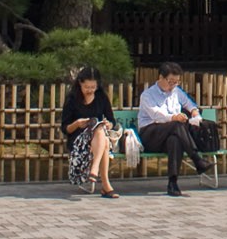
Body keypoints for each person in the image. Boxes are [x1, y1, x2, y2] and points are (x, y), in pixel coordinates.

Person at [135, 62, 217, 197]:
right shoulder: (148, 95)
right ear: (160, 77)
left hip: (170, 133)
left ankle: (173, 183)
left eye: (176, 82)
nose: (173, 85)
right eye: (170, 81)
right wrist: (174, 117)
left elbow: (189, 103)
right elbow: (157, 115)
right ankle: (197, 159)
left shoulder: (176, 92)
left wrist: (195, 112)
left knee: (175, 140)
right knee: (177, 125)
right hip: (150, 134)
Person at [59, 66, 120, 198]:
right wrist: (77, 124)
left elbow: (111, 119)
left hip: (97, 138)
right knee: (102, 138)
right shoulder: (72, 99)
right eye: (87, 87)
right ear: (80, 83)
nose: (90, 90)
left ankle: (95, 171)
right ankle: (104, 183)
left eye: (93, 87)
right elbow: (65, 128)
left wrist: (109, 124)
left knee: (100, 130)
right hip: (78, 140)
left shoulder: (101, 97)